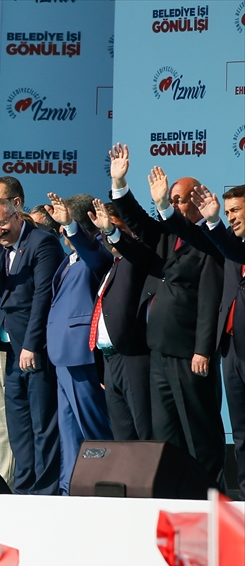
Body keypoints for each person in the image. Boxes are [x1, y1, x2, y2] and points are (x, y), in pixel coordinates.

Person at [109, 150, 224, 484]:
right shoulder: (169, 237)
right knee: (166, 432)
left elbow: (210, 300)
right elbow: (141, 227)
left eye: (178, 199)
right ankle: (176, 495)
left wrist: (204, 349)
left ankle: (209, 496)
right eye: (169, 199)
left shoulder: (210, 240)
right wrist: (120, 185)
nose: (172, 205)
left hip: (190, 352)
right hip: (159, 349)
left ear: (197, 202)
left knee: (198, 431)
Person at [0, 197, 63, 495]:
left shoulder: (42, 243)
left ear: (17, 216)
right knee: (17, 423)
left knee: (43, 422)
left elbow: (43, 297)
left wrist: (32, 345)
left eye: (2, 223)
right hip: (9, 349)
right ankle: (24, 486)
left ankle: (46, 489)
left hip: (35, 348)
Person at [44, 193, 113, 495]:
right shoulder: (69, 260)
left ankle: (104, 485)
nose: (60, 229)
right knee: (69, 432)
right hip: (62, 355)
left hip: (81, 354)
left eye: (66, 222)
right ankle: (69, 490)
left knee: (93, 431)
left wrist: (72, 225)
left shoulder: (97, 253)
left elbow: (95, 256)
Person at [70, 195, 153, 443]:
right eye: (105, 229)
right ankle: (128, 482)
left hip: (134, 359)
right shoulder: (113, 264)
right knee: (122, 435)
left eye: (114, 227)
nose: (109, 234)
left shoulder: (138, 260)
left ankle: (153, 482)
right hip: (110, 362)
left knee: (144, 432)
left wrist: (114, 231)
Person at [190, 185, 245, 486]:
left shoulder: (235, 246)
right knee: (240, 431)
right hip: (231, 350)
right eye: (227, 213)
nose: (231, 217)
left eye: (235, 210)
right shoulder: (228, 244)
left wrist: (214, 222)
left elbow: (236, 250)